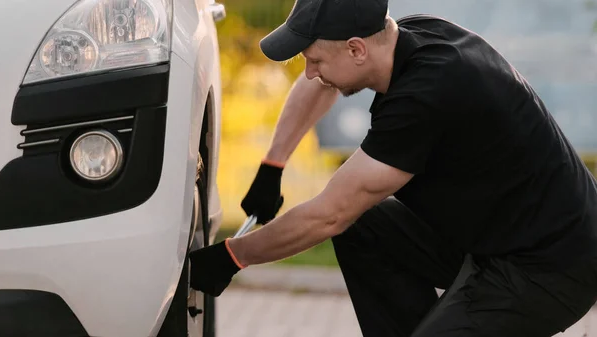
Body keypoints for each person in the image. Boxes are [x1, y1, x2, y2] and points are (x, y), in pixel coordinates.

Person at [189, 0, 597, 335]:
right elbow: (320, 82)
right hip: (501, 233)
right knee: (364, 226)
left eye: (313, 59)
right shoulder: (411, 36)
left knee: (347, 216)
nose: (309, 71)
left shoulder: (424, 97)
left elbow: (328, 215)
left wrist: (231, 256)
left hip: (549, 267)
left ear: (355, 49)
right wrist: (273, 165)